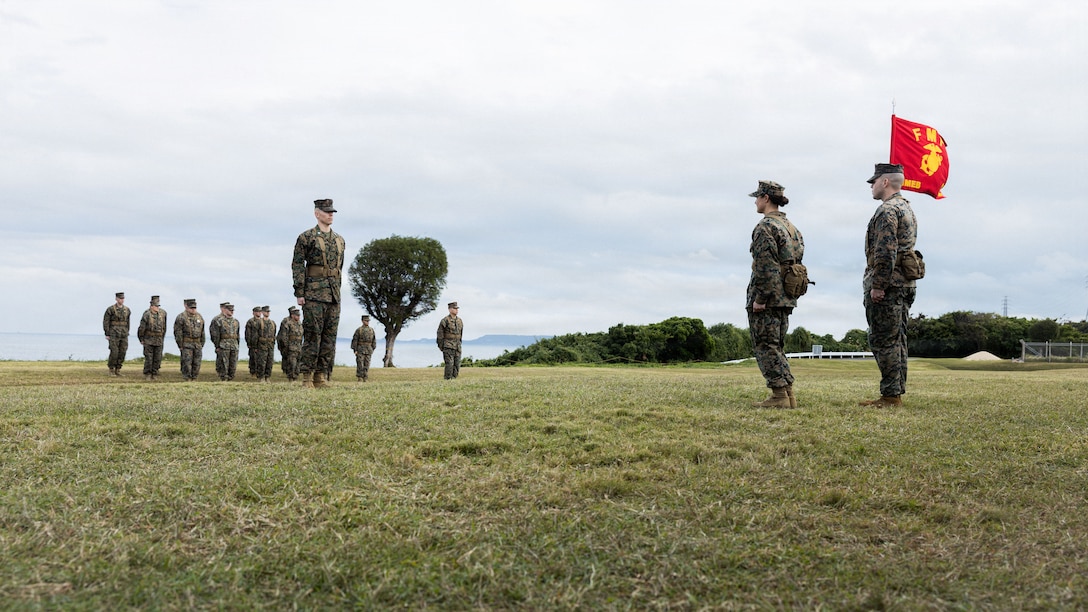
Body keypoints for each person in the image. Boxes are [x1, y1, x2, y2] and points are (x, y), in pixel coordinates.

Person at [860, 163, 918, 407]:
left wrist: (878, 285)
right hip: (904, 283)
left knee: (884, 340)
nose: (871, 187)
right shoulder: (906, 208)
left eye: (874, 182)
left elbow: (885, 251)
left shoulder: (887, 211)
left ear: (885, 182)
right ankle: (894, 392)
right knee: (897, 340)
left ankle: (890, 396)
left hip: (890, 284)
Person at [745, 180, 804, 408]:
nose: (756, 202)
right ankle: (788, 395)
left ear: (765, 198)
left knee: (765, 345)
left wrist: (760, 298)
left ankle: (779, 396)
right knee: (776, 344)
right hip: (786, 295)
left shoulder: (765, 227)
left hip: (769, 296)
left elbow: (765, 266)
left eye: (757, 197)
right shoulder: (791, 228)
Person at [292, 198, 346, 389]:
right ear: (317, 213)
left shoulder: (339, 240)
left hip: (333, 295)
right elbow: (298, 265)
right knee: (312, 336)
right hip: (313, 294)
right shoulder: (306, 237)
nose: (330, 214)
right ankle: (307, 377)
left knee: (329, 338)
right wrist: (299, 291)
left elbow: (339, 268)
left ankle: (321, 376)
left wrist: (337, 292)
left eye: (332, 211)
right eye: (326, 211)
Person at [173, 298, 205, 381]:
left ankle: (194, 377)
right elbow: (178, 332)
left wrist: (202, 343)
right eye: (191, 308)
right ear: (186, 307)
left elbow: (202, 331)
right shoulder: (181, 317)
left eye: (194, 308)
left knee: (197, 362)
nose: (193, 310)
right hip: (186, 343)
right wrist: (180, 344)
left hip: (197, 344)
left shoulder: (199, 316)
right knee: (186, 362)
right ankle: (187, 378)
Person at [137, 295, 168, 380]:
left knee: (158, 358)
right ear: (151, 306)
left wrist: (162, 337)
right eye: (156, 306)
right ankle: (148, 373)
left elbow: (164, 327)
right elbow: (142, 327)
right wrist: (141, 338)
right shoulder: (147, 314)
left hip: (159, 339)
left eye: (158, 306)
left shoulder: (163, 313)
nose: (157, 307)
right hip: (149, 339)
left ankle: (155, 372)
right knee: (149, 358)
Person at [209, 302, 240, 381]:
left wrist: (237, 344)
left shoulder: (236, 321)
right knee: (223, 364)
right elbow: (215, 335)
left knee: (233, 364)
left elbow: (238, 334)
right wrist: (217, 346)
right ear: (225, 310)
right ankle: (223, 379)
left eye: (232, 310)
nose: (232, 312)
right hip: (224, 345)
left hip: (234, 345)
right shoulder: (219, 321)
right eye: (230, 310)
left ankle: (230, 378)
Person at [103, 291, 131, 376]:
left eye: (123, 298)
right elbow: (106, 322)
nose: (122, 300)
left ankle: (118, 369)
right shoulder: (111, 309)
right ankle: (111, 369)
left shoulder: (127, 310)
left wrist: (127, 331)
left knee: (122, 351)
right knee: (114, 352)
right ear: (116, 299)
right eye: (120, 298)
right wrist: (107, 333)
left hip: (123, 334)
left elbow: (128, 322)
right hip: (113, 333)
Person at [436, 301, 464, 380]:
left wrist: (459, 343)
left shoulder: (460, 321)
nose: (456, 310)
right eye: (455, 308)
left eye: (457, 308)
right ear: (450, 309)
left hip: (457, 346)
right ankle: (448, 380)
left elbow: (461, 333)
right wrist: (441, 346)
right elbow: (440, 334)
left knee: (457, 364)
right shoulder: (445, 321)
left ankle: (454, 379)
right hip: (448, 345)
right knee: (449, 364)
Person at [277, 306, 303, 381]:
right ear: (292, 315)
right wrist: (286, 347)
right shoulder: (287, 323)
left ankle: (295, 377)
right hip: (291, 347)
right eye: (297, 315)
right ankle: (291, 377)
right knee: (292, 363)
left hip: (298, 347)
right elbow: (284, 336)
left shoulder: (299, 324)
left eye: (299, 315)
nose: (298, 317)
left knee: (298, 364)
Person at [351, 315, 377, 382]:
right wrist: (355, 349)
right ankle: (360, 377)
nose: (367, 322)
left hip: (368, 349)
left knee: (367, 363)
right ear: (362, 321)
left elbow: (374, 340)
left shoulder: (371, 330)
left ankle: (365, 376)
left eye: (368, 321)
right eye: (366, 321)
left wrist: (373, 348)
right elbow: (355, 340)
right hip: (360, 349)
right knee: (360, 363)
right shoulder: (359, 330)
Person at [258, 305, 277, 382]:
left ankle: (268, 376)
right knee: (262, 362)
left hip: (270, 345)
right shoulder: (259, 322)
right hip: (262, 346)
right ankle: (261, 377)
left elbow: (274, 334)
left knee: (270, 362)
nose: (267, 313)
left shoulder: (272, 323)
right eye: (266, 311)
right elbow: (256, 336)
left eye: (268, 311)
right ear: (262, 312)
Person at [245, 306, 262, 378]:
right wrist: (249, 343)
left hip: (261, 343)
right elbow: (248, 333)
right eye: (257, 311)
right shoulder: (251, 321)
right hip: (253, 343)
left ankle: (259, 372)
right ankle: (253, 372)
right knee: (253, 359)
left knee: (261, 359)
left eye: (260, 311)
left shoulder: (262, 321)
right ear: (254, 312)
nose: (259, 313)